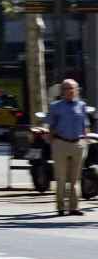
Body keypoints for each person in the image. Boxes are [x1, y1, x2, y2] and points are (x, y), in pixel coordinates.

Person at [47, 79, 88, 216]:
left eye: (72, 88)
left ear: (77, 90)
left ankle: (74, 207)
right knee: (61, 178)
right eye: (66, 88)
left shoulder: (82, 105)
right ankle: (60, 207)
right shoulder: (55, 106)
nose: (70, 91)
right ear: (62, 91)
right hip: (61, 143)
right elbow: (51, 127)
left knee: (75, 178)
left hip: (78, 144)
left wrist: (85, 140)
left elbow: (85, 125)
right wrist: (53, 143)